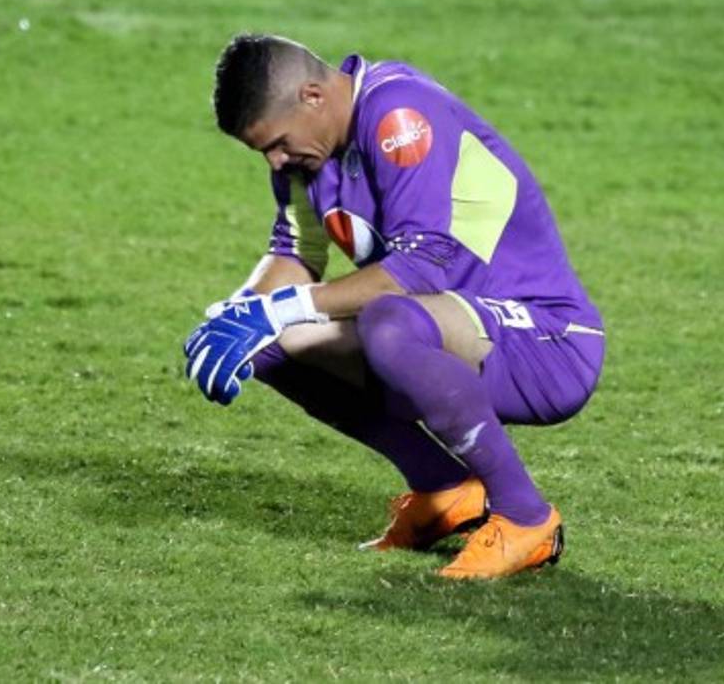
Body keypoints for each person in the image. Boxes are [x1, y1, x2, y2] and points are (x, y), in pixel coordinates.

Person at [182, 34, 604, 580]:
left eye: (278, 143)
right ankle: (444, 491)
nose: (275, 160)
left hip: (549, 340)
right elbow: (294, 254)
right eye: (263, 151)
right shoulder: (307, 158)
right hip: (452, 329)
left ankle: (526, 518)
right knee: (269, 343)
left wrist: (282, 307)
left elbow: (419, 268)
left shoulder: (398, 113)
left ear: (313, 96)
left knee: (386, 321)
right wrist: (238, 317)